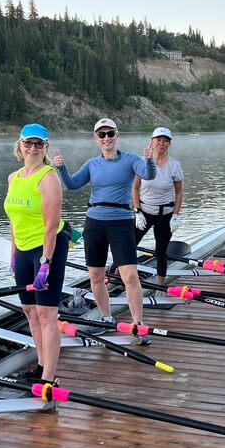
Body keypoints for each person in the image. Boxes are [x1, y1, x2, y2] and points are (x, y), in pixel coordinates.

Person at [53, 118, 156, 336]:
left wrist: (149, 160)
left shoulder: (130, 160)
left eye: (110, 134)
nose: (106, 138)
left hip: (121, 222)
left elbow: (148, 175)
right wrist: (61, 168)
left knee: (130, 276)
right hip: (95, 222)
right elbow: (72, 185)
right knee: (96, 277)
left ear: (117, 136)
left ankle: (138, 325)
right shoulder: (92, 164)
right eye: (102, 135)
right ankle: (107, 319)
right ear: (96, 139)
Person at [4, 123, 69, 385]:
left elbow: (52, 225)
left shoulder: (49, 177)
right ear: (19, 145)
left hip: (48, 248)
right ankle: (40, 365)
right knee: (29, 310)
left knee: (47, 314)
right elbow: (13, 220)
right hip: (22, 250)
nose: (32, 148)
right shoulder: (13, 177)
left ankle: (49, 379)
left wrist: (46, 262)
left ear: (45, 148)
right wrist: (13, 253)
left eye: (38, 144)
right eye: (28, 143)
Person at [133, 127, 185, 284]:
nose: (161, 144)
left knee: (161, 253)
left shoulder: (174, 165)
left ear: (169, 144)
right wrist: (137, 211)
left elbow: (179, 193)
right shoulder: (142, 163)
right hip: (145, 213)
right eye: (158, 140)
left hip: (166, 214)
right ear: (152, 142)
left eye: (165, 141)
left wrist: (176, 215)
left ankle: (161, 285)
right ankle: (118, 275)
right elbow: (135, 189)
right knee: (128, 247)